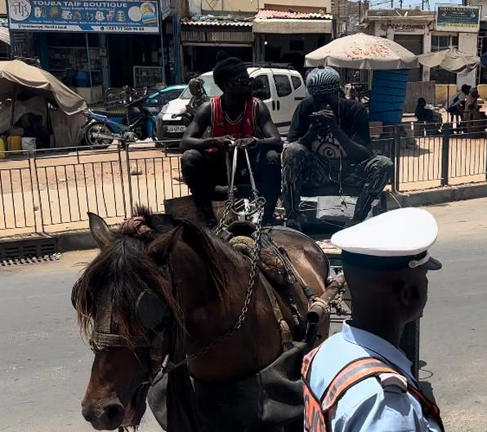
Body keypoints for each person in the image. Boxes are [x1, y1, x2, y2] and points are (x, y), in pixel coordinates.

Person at [302, 207, 444, 432]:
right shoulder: (387, 406)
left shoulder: (326, 353)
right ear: (406, 293)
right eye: (423, 275)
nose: (426, 283)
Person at [283, 66, 393, 230]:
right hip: (317, 171)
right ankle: (292, 216)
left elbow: (364, 155)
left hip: (347, 170)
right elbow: (292, 146)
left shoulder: (355, 110)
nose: (322, 103)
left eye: (327, 98)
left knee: (384, 164)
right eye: (317, 98)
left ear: (337, 93)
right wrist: (311, 133)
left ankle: (357, 219)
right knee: (292, 151)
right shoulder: (306, 107)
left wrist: (336, 130)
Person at [180, 57, 282, 227]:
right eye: (243, 81)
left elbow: (277, 141)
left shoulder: (257, 106)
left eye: (248, 79)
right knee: (190, 157)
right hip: (220, 169)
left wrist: (255, 141)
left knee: (272, 156)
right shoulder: (209, 108)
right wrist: (213, 141)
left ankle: (266, 220)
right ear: (227, 85)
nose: (249, 84)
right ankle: (210, 221)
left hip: (251, 169)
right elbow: (185, 142)